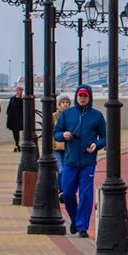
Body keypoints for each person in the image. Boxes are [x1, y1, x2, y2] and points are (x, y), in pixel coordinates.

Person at [53, 84, 107, 237]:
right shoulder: (67, 114)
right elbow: (56, 132)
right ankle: (75, 219)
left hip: (87, 162)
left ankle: (82, 227)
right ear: (76, 97)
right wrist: (63, 135)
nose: (82, 98)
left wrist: (96, 145)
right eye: (80, 96)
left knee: (85, 194)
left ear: (89, 98)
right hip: (69, 160)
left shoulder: (96, 116)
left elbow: (105, 136)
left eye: (85, 96)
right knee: (68, 192)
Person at [6, 84, 25, 152]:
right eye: (17, 90)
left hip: (20, 118)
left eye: (19, 91)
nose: (17, 92)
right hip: (13, 118)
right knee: (15, 132)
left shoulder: (23, 100)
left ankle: (18, 145)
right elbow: (9, 107)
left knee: (19, 131)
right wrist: (8, 114)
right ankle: (17, 144)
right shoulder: (12, 98)